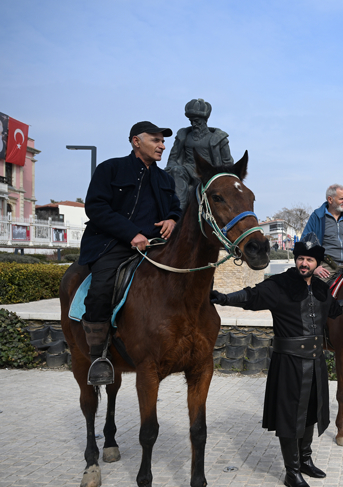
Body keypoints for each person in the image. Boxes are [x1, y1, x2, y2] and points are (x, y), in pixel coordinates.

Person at [210, 234, 343, 487]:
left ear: (316, 262)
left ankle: (305, 460)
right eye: (300, 258)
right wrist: (223, 298)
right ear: (295, 260)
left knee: (310, 412)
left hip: (316, 361)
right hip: (289, 363)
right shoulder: (280, 285)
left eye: (309, 259)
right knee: (289, 417)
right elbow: (251, 296)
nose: (304, 263)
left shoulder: (320, 288)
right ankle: (292, 471)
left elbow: (335, 310)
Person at [78, 121, 182, 385]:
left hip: (155, 246)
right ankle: (99, 356)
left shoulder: (165, 178)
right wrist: (130, 234)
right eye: (156, 140)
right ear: (136, 141)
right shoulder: (110, 168)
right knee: (101, 289)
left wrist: (172, 219)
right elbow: (96, 207)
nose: (162, 145)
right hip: (112, 243)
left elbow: (175, 207)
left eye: (163, 141)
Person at [165, 98, 234, 210]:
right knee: (176, 170)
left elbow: (228, 163)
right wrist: (169, 170)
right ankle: (180, 207)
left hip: (209, 172)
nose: (194, 124)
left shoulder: (219, 139)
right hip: (188, 169)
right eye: (191, 121)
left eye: (197, 121)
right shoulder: (183, 136)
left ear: (204, 121)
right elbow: (173, 158)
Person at [301, 184, 343, 282]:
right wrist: (314, 268)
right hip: (326, 267)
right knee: (318, 292)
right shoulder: (317, 216)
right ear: (330, 200)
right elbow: (305, 243)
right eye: (341, 199)